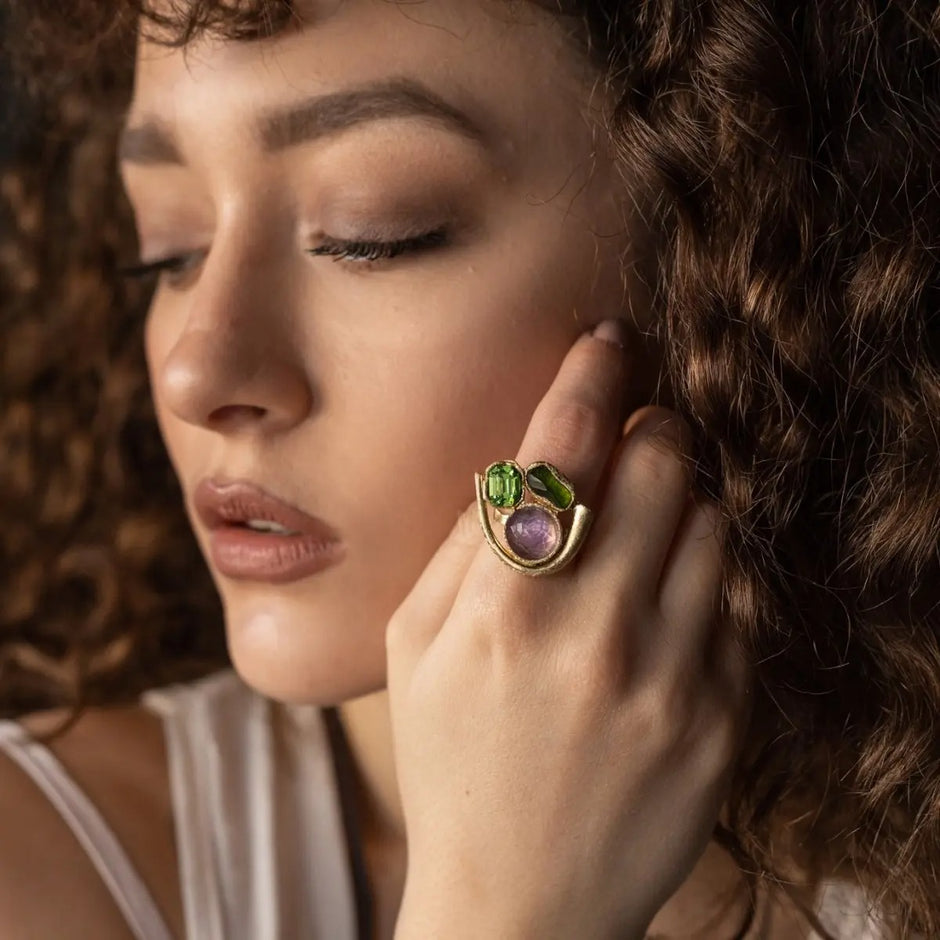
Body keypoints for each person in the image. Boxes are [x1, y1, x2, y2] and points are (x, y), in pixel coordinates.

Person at [0, 0, 936, 937]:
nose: (195, 371)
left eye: (373, 231)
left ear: (730, 257)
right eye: (171, 249)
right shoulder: (38, 862)